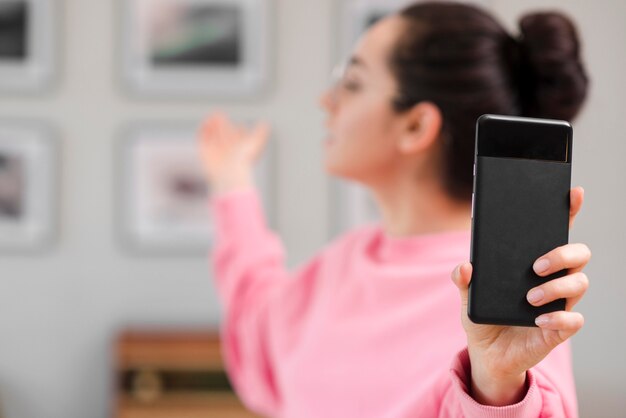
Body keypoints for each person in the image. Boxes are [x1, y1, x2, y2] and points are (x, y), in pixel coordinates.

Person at [198, 2, 590, 417]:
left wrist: (496, 387)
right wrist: (232, 185)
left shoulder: (506, 299)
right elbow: (260, 327)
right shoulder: (345, 261)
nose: (325, 102)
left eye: (351, 83)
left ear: (415, 126)